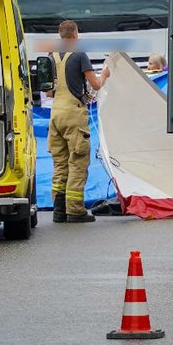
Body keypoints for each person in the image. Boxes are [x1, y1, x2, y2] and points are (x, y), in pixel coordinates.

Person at [48, 20, 109, 223]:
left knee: (60, 163)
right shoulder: (80, 54)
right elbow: (96, 85)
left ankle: (59, 210)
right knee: (78, 161)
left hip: (55, 114)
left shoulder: (51, 56)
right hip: (73, 114)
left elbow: (48, 91)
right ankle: (75, 211)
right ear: (75, 35)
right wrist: (105, 75)